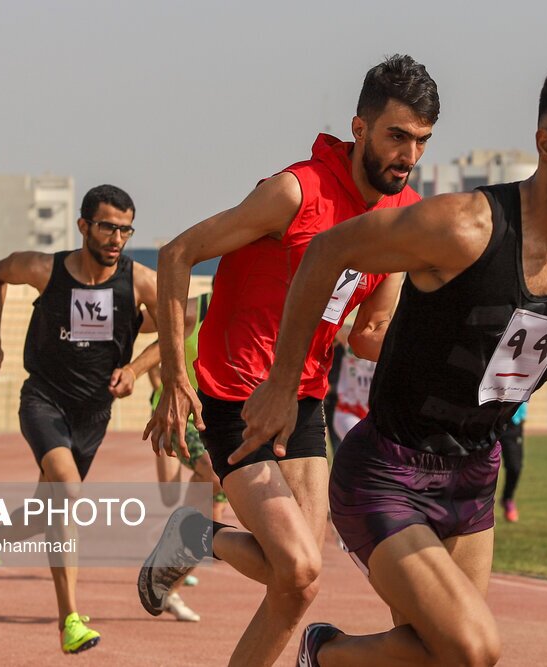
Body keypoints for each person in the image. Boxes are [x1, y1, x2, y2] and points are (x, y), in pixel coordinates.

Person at [241, 56, 547, 666]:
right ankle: (323, 653)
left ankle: (330, 654)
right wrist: (281, 384)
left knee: (442, 659)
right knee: (475, 649)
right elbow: (325, 251)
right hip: (387, 471)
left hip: (475, 474)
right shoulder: (463, 228)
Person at [137, 55, 440, 667]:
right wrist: (173, 380)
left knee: (299, 581)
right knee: (298, 566)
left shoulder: (401, 215)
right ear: (360, 128)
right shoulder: (295, 191)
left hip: (304, 396)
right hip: (236, 393)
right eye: (396, 136)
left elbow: (369, 334)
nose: (408, 155)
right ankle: (196, 535)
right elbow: (176, 255)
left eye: (422, 142)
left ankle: (196, 536)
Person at [0, 184, 157, 654]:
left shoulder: (139, 281)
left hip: (94, 413)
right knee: (67, 493)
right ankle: (69, 620)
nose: (117, 238)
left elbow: (181, 324)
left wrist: (135, 368)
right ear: (84, 226)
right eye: (108, 226)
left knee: (46, 509)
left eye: (125, 229)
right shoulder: (45, 269)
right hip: (44, 400)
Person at [137, 290, 227, 621]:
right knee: (179, 488)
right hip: (178, 415)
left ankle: (169, 587)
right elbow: (145, 328)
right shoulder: (193, 310)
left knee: (207, 510)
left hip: (219, 423)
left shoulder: (257, 318)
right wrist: (134, 371)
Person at [331, 331, 377, 443]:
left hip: (377, 416)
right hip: (348, 410)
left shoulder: (393, 337)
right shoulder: (352, 332)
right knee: (362, 446)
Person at [499, 402, 527, 522]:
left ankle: (507, 498)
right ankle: (479, 507)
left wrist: (521, 418)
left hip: (513, 425)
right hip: (491, 420)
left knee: (515, 467)